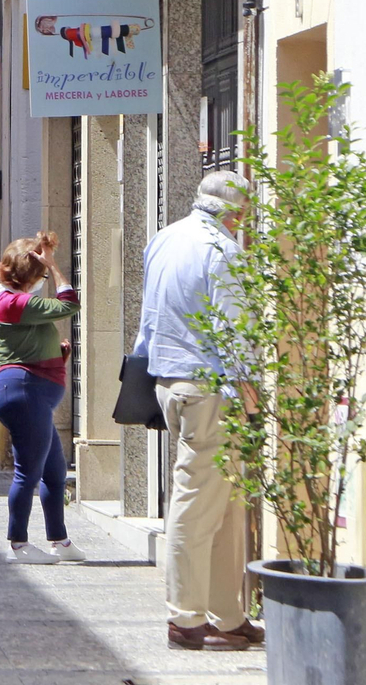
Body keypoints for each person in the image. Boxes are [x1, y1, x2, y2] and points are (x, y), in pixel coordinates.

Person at [132, 171, 263, 652]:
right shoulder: (222, 251)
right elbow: (235, 327)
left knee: (226, 502)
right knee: (195, 499)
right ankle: (185, 619)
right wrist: (247, 385)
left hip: (171, 382)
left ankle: (227, 616)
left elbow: (148, 318)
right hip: (209, 387)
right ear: (235, 212)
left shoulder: (164, 239)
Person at [0, 231, 86, 565]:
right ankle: (18, 543)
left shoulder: (11, 301)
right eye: (41, 273)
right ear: (31, 274)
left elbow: (26, 342)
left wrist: (54, 353)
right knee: (27, 472)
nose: (44, 278)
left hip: (30, 393)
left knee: (54, 472)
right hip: (24, 393)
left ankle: (60, 539)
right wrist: (55, 267)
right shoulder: (13, 301)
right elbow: (70, 303)